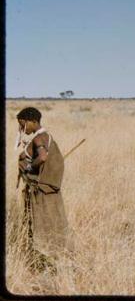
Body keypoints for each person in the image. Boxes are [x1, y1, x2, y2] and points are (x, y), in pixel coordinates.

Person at [16, 107, 73, 272]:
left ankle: (44, 264)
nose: (22, 129)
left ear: (32, 121)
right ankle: (54, 261)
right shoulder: (46, 136)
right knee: (53, 223)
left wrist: (28, 167)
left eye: (23, 124)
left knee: (41, 226)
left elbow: (42, 157)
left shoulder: (39, 138)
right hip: (48, 191)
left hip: (40, 192)